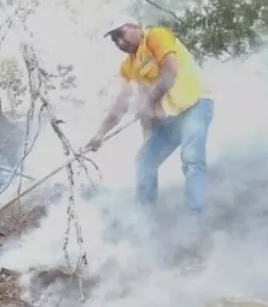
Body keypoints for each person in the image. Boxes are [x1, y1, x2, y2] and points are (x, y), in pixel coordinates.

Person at [87, 22, 215, 215]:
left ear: (135, 28)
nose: (119, 42)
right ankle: (145, 220)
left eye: (121, 34)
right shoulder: (128, 66)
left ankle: (196, 217)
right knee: (145, 161)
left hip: (195, 104)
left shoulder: (156, 36)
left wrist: (150, 101)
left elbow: (171, 70)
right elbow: (121, 104)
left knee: (191, 157)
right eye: (114, 40)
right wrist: (100, 134)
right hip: (171, 118)